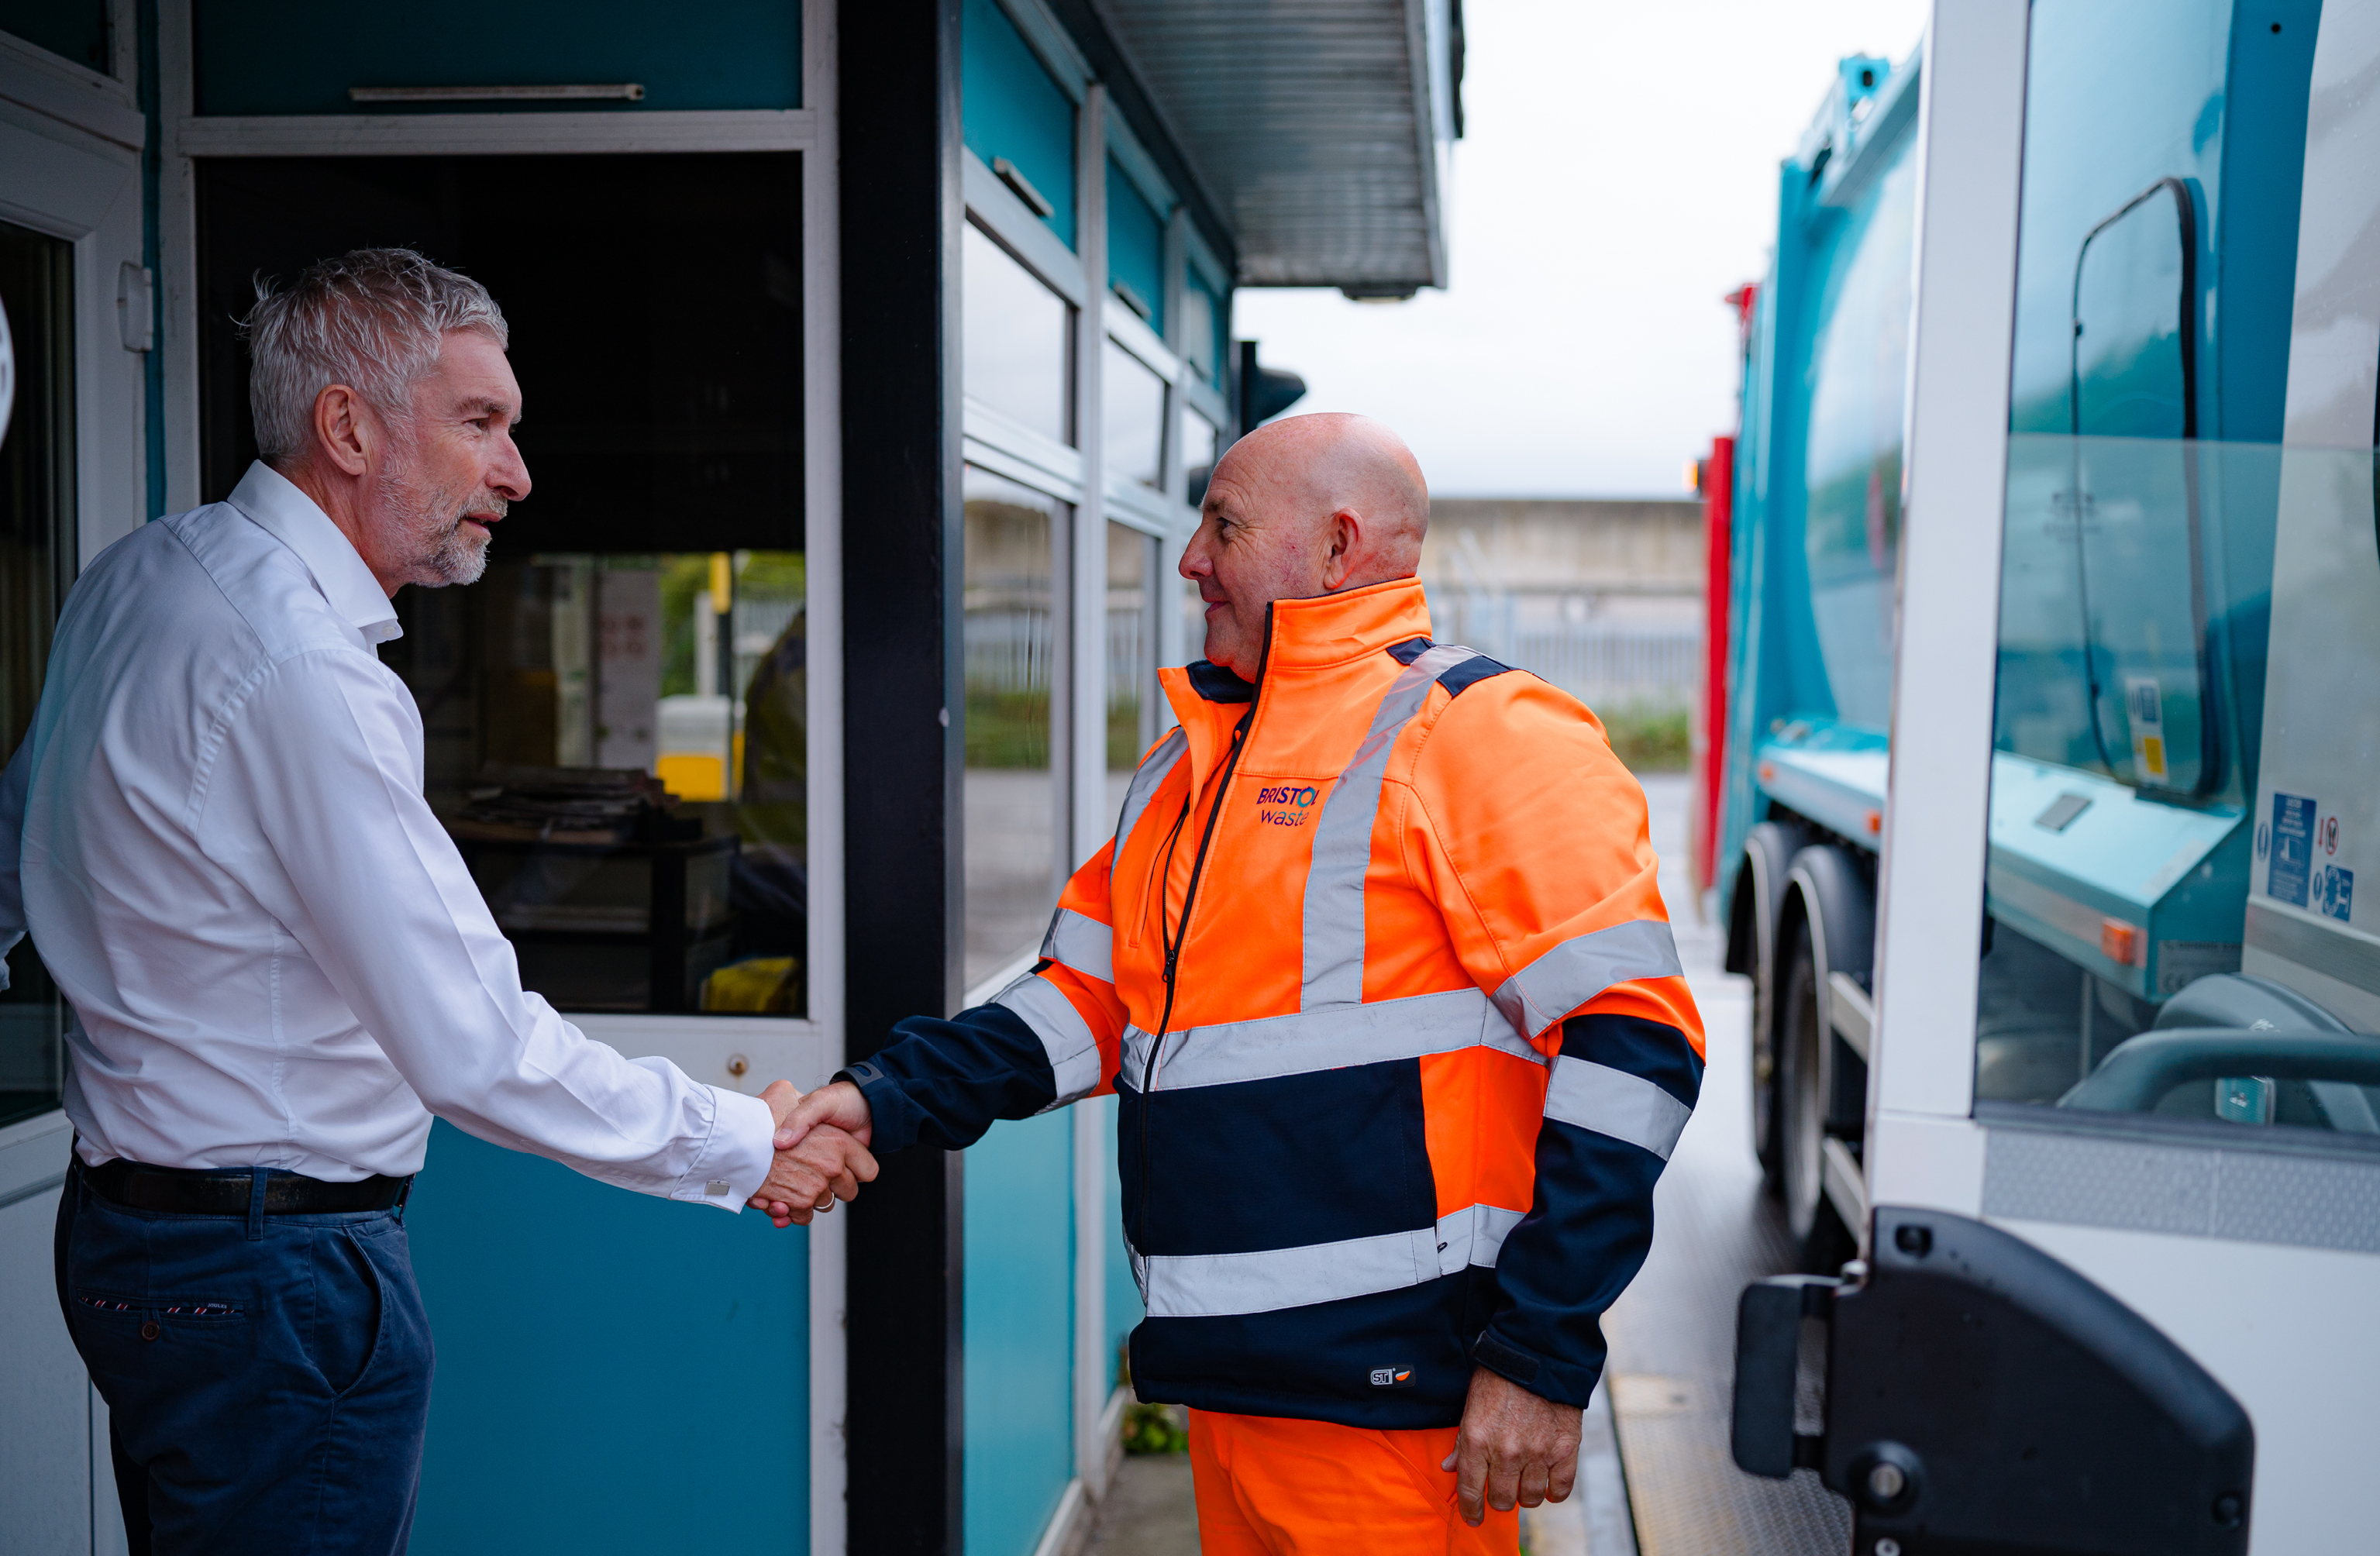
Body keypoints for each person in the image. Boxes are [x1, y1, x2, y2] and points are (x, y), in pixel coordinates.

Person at [0, 249, 876, 1556]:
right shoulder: (299, 664)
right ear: (347, 427)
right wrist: (745, 1141)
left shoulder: (142, 578)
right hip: (268, 1278)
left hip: (136, 1241)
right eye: (481, 425)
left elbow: (17, 844)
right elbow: (471, 1040)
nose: (517, 475)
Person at [773, 413, 1703, 1553]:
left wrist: (1541, 1355)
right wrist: (882, 1096)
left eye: (1222, 525)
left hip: (1393, 1415)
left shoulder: (1481, 734)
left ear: (1336, 546)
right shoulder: (1195, 756)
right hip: (1234, 1384)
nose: (1187, 561)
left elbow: (1634, 1045)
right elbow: (1089, 1002)